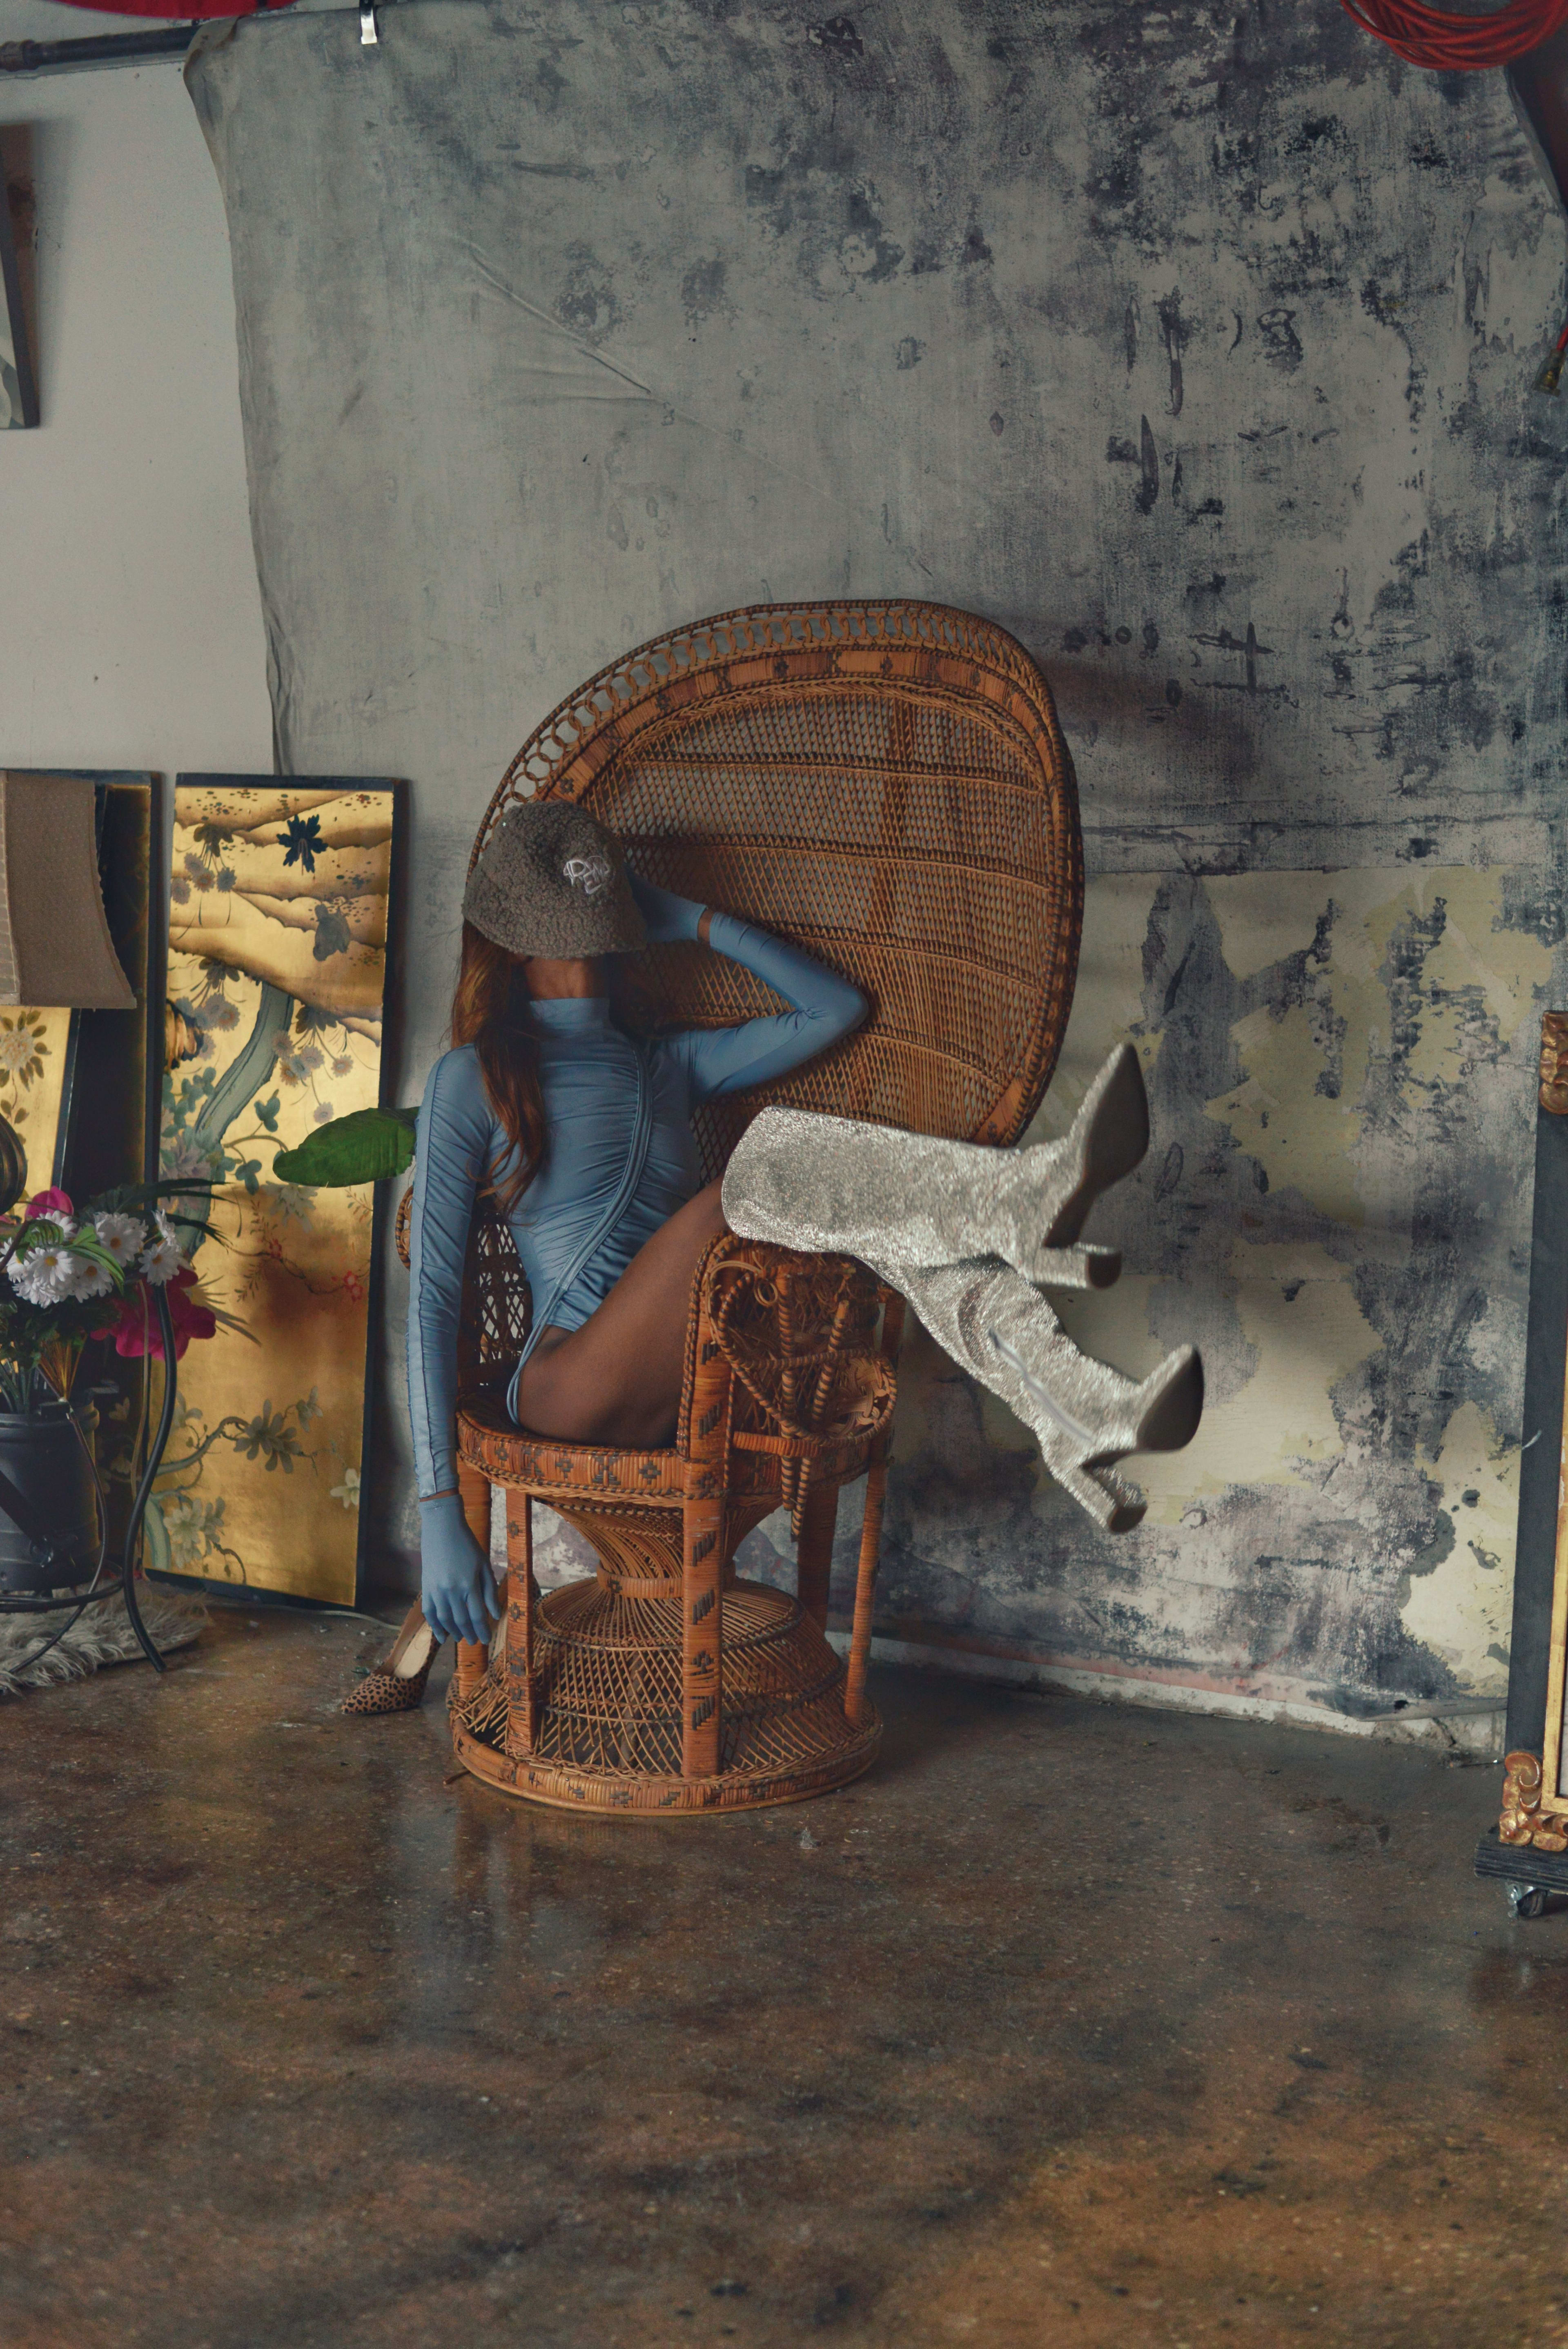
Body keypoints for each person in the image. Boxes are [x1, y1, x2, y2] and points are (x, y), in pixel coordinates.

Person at [407, 801, 1202, 1652]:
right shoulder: (476, 1077)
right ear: (516, 943)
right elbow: (434, 1294)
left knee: (870, 1231)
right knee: (742, 1181)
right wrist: (438, 1513)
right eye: (564, 928)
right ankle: (1016, 1198)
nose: (590, 945)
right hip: (568, 1389)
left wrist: (693, 921)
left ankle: (1075, 1405)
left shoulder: (662, 1063)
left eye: (602, 917)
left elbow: (835, 1010)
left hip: (685, 1384)